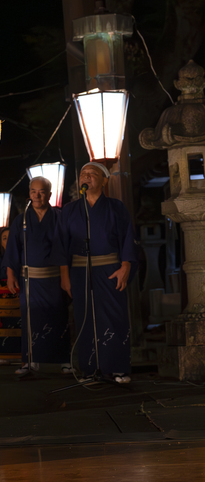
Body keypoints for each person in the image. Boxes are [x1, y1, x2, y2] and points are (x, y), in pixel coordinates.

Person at [51, 161, 138, 383]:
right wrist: (64, 275)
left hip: (110, 269)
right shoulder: (69, 210)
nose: (86, 176)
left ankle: (117, 368)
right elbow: (61, 244)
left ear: (104, 181)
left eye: (92, 174)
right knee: (85, 318)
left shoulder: (116, 207)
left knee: (114, 317)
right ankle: (90, 369)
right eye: (83, 173)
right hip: (80, 271)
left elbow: (128, 237)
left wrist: (126, 265)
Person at [5, 177, 71, 377]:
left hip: (54, 278)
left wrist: (65, 277)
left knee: (59, 318)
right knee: (30, 320)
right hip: (30, 281)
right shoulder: (21, 220)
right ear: (29, 193)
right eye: (33, 191)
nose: (37, 195)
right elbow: (12, 249)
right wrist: (10, 274)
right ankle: (30, 361)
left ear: (49, 194)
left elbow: (66, 247)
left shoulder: (60, 217)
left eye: (41, 191)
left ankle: (65, 361)